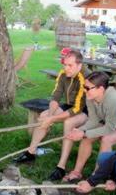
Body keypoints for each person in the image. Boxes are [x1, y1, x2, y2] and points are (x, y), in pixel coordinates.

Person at [14, 49, 87, 182]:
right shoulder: (63, 74)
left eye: (70, 65)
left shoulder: (83, 78)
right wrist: (50, 116)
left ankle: (61, 166)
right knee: (43, 115)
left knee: (68, 123)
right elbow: (56, 97)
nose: (66, 68)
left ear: (79, 65)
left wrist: (53, 119)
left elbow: (77, 108)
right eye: (65, 64)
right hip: (70, 105)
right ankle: (31, 152)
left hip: (86, 110)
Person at [63, 72, 116, 182]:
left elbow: (110, 128)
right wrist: (80, 131)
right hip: (112, 123)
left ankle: (96, 176)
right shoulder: (90, 95)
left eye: (87, 88)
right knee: (87, 137)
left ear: (100, 89)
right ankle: (76, 172)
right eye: (84, 87)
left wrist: (84, 133)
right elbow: (94, 120)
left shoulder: (113, 99)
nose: (85, 90)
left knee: (106, 139)